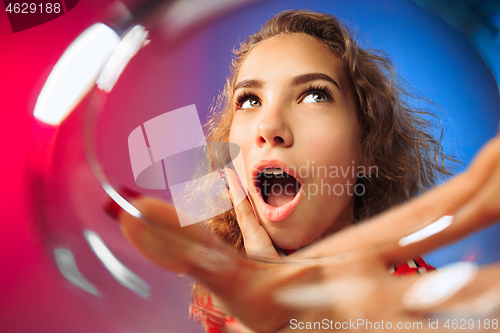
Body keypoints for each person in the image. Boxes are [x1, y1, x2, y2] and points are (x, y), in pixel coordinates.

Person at [113, 9, 500, 333]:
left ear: (366, 147)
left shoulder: (431, 308)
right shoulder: (225, 303)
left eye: (314, 95)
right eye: (249, 100)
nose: (269, 127)